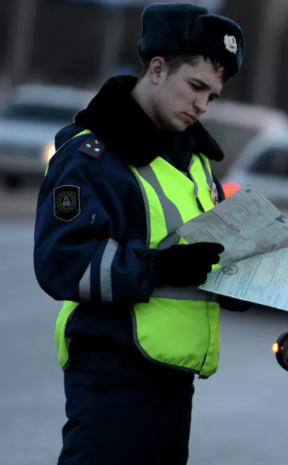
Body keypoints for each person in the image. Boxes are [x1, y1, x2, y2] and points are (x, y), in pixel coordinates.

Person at [33, 3, 252, 464]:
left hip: (173, 381)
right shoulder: (89, 156)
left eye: (211, 96)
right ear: (156, 69)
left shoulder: (194, 161)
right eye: (195, 87)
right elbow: (62, 263)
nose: (201, 104)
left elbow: (193, 255)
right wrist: (157, 267)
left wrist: (234, 279)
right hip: (112, 374)